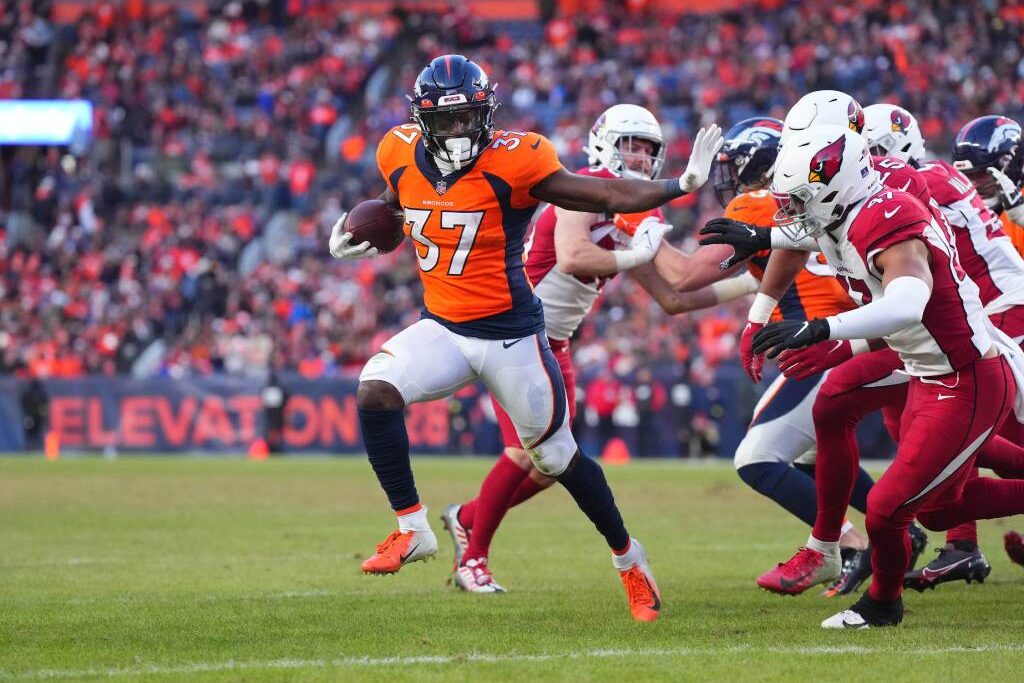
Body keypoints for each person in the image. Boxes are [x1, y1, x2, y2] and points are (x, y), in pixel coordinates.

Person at [328, 55, 725, 621]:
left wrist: (678, 186)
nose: (458, 131)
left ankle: (629, 560)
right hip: (442, 327)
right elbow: (397, 206)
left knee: (557, 457)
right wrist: (353, 230)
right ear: (422, 121)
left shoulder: (519, 159)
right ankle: (412, 528)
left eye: (468, 118)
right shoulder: (396, 151)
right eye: (446, 121)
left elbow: (603, 196)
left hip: (511, 337)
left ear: (486, 115)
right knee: (375, 388)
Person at [438, 104, 759, 593]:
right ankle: (473, 560)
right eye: (630, 143)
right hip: (511, 331)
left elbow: (675, 291)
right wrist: (632, 254)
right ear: (604, 143)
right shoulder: (583, 186)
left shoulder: (637, 207)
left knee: (550, 466)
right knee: (524, 454)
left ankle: (466, 517)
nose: (638, 155)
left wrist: (751, 285)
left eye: (648, 148)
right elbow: (571, 256)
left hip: (554, 344)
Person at [752, 125, 1024, 629]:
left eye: (801, 198)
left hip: (964, 376)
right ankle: (838, 552)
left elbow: (906, 303)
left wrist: (821, 329)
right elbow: (812, 233)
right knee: (940, 511)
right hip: (930, 372)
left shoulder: (885, 215)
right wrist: (760, 238)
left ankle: (881, 603)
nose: (792, 211)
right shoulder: (848, 214)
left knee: (884, 507)